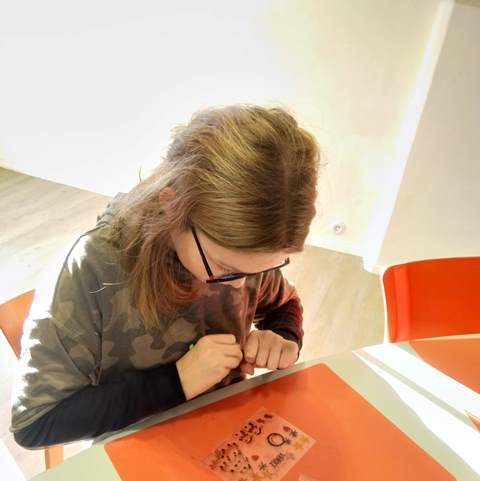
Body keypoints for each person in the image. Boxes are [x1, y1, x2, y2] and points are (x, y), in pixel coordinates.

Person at [11, 104, 320, 448]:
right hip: (138, 446)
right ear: (172, 206)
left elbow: (283, 304)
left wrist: (282, 336)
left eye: (266, 268)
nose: (240, 284)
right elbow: (36, 423)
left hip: (225, 431)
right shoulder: (92, 267)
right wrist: (177, 381)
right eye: (225, 269)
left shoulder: (245, 257)